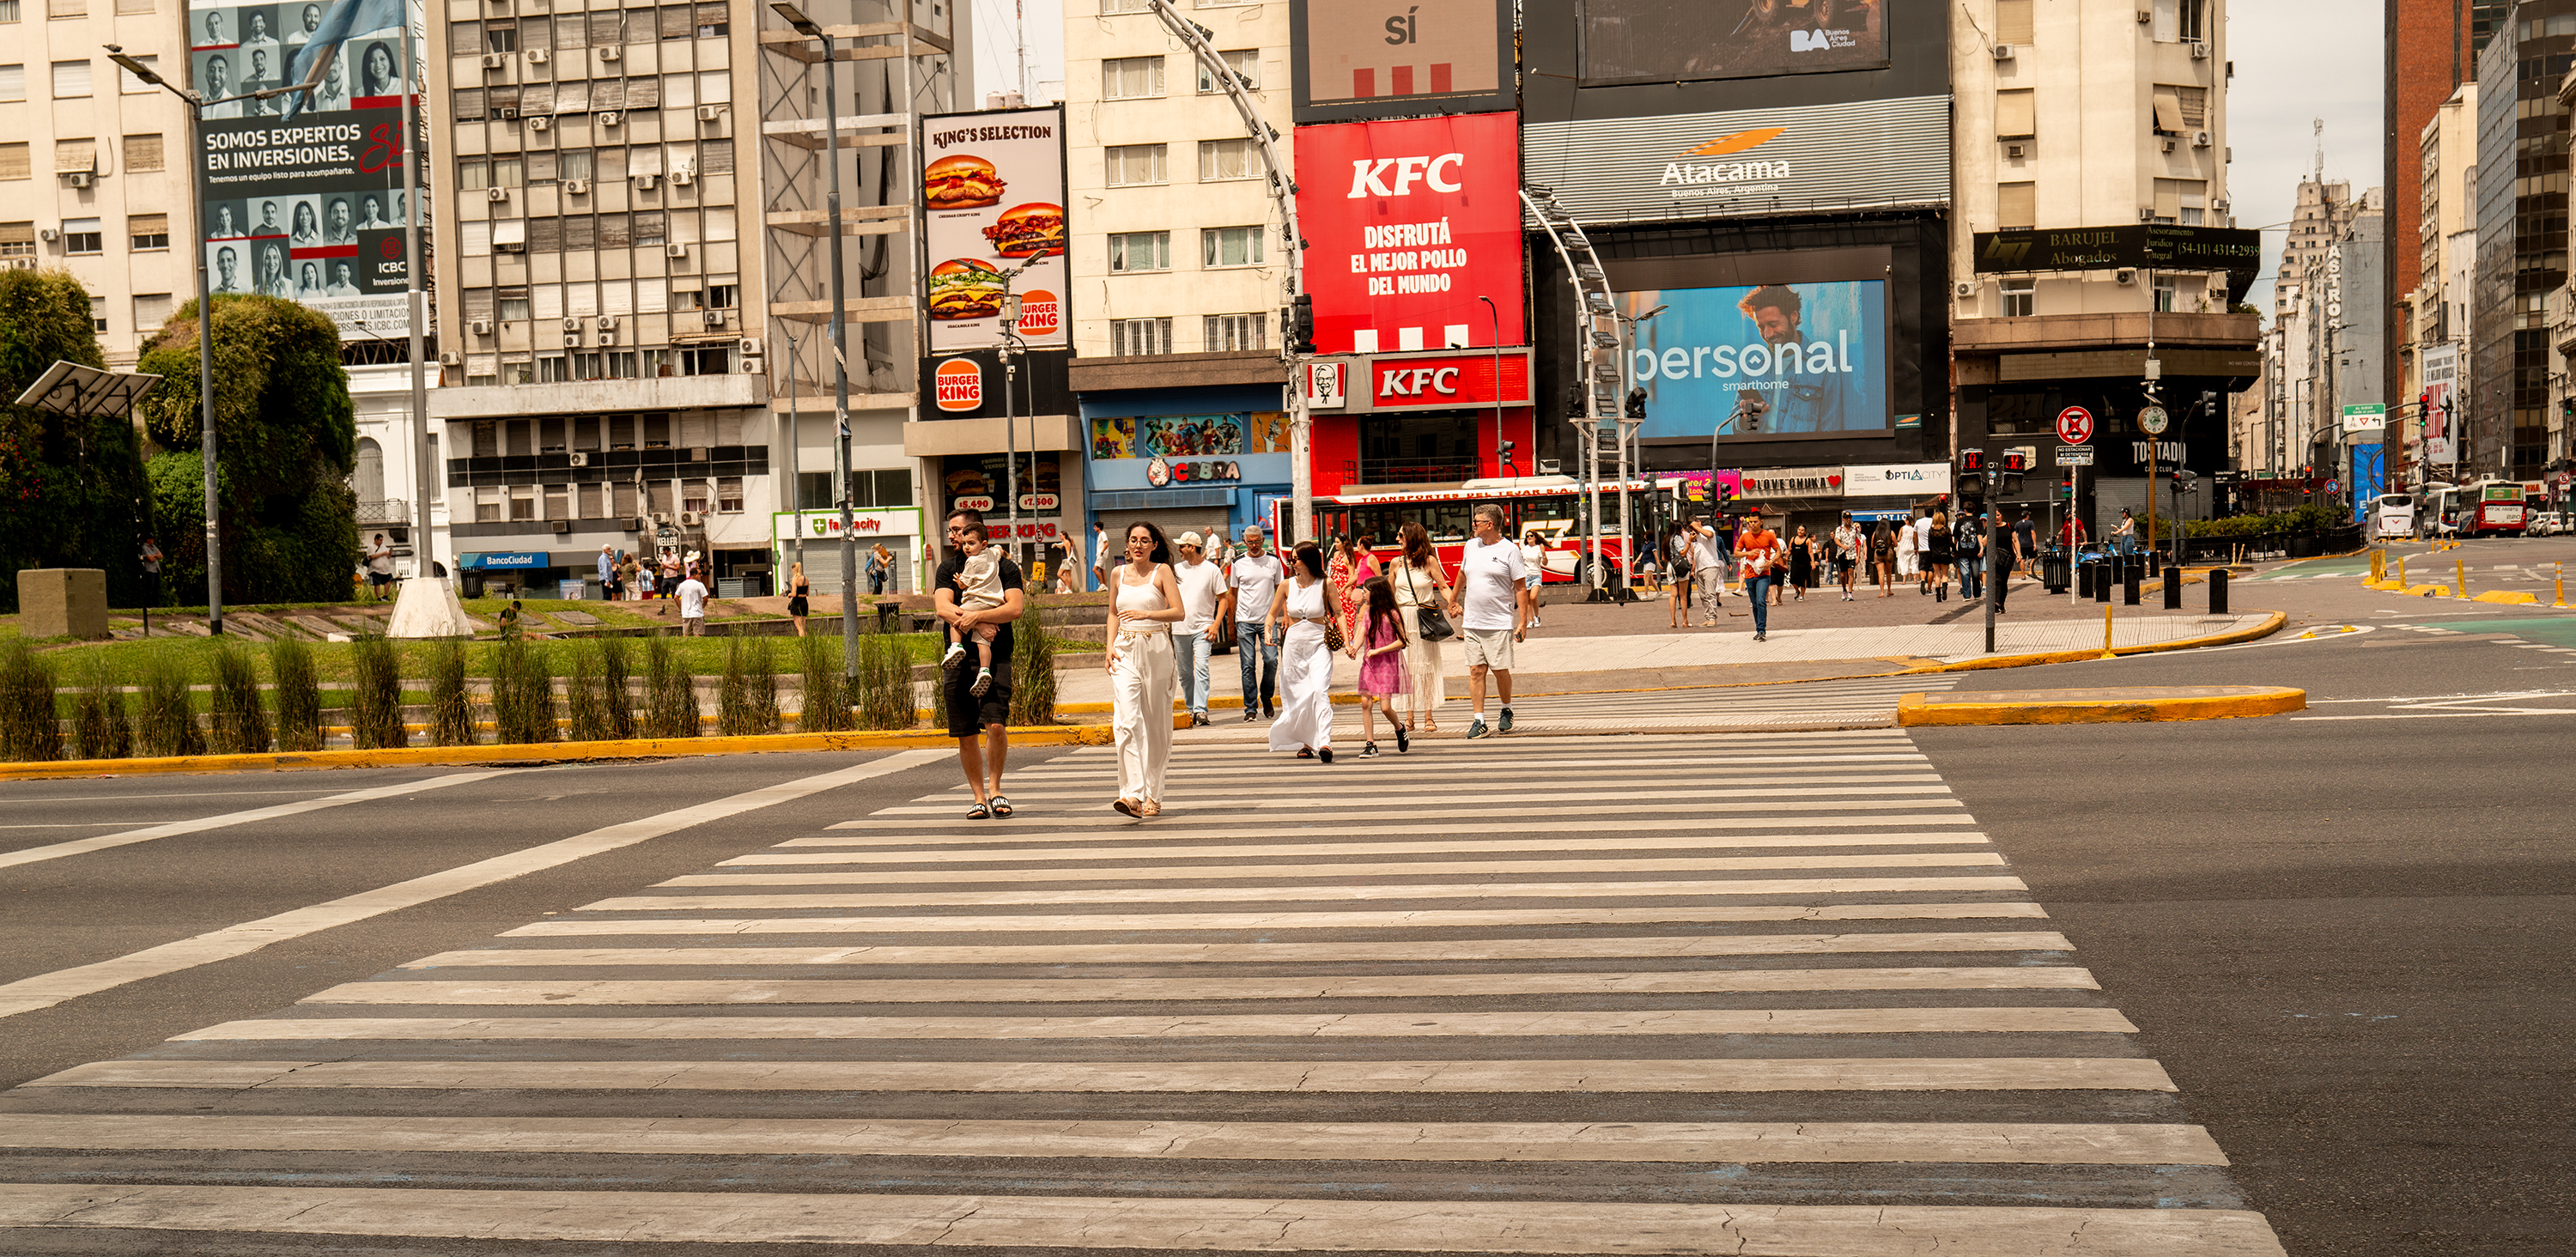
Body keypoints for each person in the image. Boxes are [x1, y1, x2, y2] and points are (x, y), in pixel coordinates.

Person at [934, 509, 1025, 818]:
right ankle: (978, 796)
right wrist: (977, 624)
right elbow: (942, 606)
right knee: (965, 732)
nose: (953, 536)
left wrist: (978, 618)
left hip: (995, 655)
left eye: (958, 530)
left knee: (996, 725)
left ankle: (996, 789)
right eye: (951, 531)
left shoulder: (1005, 567)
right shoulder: (948, 569)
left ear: (976, 532)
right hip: (958, 659)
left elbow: (1014, 609)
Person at [1105, 522, 1184, 817]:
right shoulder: (1117, 574)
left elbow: (1179, 612)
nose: (1138, 545)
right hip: (1124, 649)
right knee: (1126, 720)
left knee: (1156, 727)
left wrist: (1146, 613)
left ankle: (1154, 793)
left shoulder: (1161, 571)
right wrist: (1108, 646)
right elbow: (1113, 612)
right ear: (1127, 544)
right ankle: (1132, 795)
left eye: (1145, 541)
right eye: (1134, 540)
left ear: (1153, 545)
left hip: (1157, 649)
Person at [1449, 502, 1533, 739]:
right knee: (1476, 670)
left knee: (1500, 670)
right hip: (1473, 621)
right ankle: (1479, 720)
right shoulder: (1470, 546)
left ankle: (1506, 708)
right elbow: (1462, 574)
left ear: (1490, 524)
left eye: (1477, 522)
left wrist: (1523, 622)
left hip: (1498, 622)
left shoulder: (1510, 550)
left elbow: (1520, 588)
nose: (1473, 525)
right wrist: (1453, 599)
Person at [1267, 540, 1339, 762]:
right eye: (1291, 559)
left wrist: (1349, 640)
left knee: (1318, 690)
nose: (1292, 563)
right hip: (1294, 647)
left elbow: (1340, 613)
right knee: (1300, 695)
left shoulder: (1326, 583)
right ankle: (1307, 743)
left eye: (1295, 559)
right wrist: (1268, 630)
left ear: (1308, 561)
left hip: (1319, 644)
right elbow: (1272, 614)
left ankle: (1324, 741)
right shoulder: (1286, 585)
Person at [1388, 522, 1452, 733]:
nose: (1397, 539)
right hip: (1402, 620)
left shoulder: (1429, 562)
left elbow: (1443, 586)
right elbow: (1389, 594)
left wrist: (1453, 603)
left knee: (1425, 667)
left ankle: (1428, 715)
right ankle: (1409, 717)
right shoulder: (1395, 563)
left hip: (1423, 618)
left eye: (1400, 536)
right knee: (1405, 667)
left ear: (1412, 537)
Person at [939, 523, 1008, 695]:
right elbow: (1000, 550)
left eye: (971, 543)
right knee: (983, 640)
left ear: (983, 544)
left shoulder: (971, 561)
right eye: (964, 544)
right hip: (994, 604)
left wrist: (959, 579)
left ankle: (956, 646)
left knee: (957, 618)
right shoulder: (993, 554)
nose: (966, 548)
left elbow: (964, 584)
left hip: (976, 600)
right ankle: (984, 671)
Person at [1170, 531, 1226, 727]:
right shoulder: (1176, 570)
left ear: (1192, 548)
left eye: (1182, 546)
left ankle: (1201, 710)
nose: (1179, 550)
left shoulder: (1212, 570)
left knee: (1202, 668)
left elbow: (1223, 599)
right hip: (1179, 629)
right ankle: (1192, 707)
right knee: (1185, 673)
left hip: (1203, 628)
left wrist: (1216, 624)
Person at [1228, 525, 1284, 721]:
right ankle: (1250, 707)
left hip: (1268, 621)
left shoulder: (1274, 561)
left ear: (1263, 541)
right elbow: (1232, 593)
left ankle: (1266, 696)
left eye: (1257, 541)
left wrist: (1284, 616)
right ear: (1244, 542)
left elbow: (1281, 590)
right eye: (1249, 542)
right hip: (1244, 620)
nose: (1253, 545)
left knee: (1271, 660)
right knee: (1248, 665)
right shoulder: (1238, 563)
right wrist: (1231, 621)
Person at [1349, 575, 1410, 756]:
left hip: (1387, 665)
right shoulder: (1367, 613)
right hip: (1369, 664)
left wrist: (1378, 650)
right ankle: (1370, 743)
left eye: (1366, 592)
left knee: (1385, 707)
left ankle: (1399, 728)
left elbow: (1402, 641)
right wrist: (1354, 648)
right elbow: (1361, 634)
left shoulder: (1392, 614)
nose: (1363, 595)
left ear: (1376, 593)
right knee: (1365, 703)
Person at [1735, 511, 1783, 642]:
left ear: (1761, 522)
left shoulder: (1768, 535)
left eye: (1755, 522)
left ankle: (1762, 630)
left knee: (1761, 601)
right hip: (1749, 575)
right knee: (1755, 603)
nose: (1752, 524)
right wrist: (1748, 552)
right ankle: (1758, 629)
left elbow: (1779, 550)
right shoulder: (1745, 537)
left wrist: (1772, 562)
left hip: (1764, 574)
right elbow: (1736, 553)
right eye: (1750, 522)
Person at [1686, 515, 1728, 627]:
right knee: (1703, 595)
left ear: (1698, 522)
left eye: (1694, 526)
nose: (1693, 529)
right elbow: (1695, 554)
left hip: (1710, 566)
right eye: (1691, 528)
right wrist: (1693, 569)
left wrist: (1697, 527)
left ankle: (1713, 617)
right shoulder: (1695, 536)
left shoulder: (1708, 529)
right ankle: (1707, 617)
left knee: (1710, 593)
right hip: (1699, 568)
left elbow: (1710, 535)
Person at [1519, 531, 1547, 628]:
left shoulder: (1539, 548)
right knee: (1527, 600)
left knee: (1533, 597)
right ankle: (1530, 621)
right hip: (1526, 575)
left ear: (1535, 537)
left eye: (1531, 536)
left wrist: (1543, 553)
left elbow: (1545, 563)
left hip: (1536, 575)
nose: (1529, 538)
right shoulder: (1523, 549)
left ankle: (1537, 616)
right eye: (1527, 536)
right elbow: (1519, 563)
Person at [1955, 512, 1985, 602]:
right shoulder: (1977, 521)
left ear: (1965, 510)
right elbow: (1979, 535)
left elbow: (1956, 537)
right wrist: (1981, 548)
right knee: (1976, 574)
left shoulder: (1959, 521)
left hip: (1962, 551)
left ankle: (1967, 595)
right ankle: (1977, 593)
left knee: (1965, 574)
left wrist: (1954, 547)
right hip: (1974, 551)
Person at [1926, 507, 1954, 602]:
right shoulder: (1947, 530)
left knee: (1937, 575)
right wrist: (1954, 551)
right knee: (1945, 575)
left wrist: (1933, 551)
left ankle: (1938, 595)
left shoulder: (1931, 531)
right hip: (1945, 554)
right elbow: (1950, 543)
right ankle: (1944, 588)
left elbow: (1929, 544)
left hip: (1934, 554)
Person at [1832, 513, 1861, 602]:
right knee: (1843, 575)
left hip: (1852, 554)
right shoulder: (1839, 529)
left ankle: (1850, 592)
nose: (1848, 520)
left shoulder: (1855, 529)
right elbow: (1836, 540)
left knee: (1851, 572)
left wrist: (1858, 556)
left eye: (1850, 518)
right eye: (1846, 518)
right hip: (1842, 554)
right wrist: (1842, 546)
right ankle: (1844, 589)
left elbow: (1858, 542)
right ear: (1843, 519)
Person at [674, 566, 709, 635]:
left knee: (686, 635)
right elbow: (705, 597)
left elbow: (676, 598)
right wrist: (703, 605)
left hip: (686, 615)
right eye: (700, 573)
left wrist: (682, 609)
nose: (701, 575)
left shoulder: (682, 584)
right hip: (697, 614)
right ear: (694, 575)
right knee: (698, 635)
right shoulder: (700, 585)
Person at [1787, 525, 1814, 601]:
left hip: (1805, 562)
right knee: (1793, 578)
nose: (1800, 531)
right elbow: (1789, 550)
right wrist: (1786, 558)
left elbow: (1810, 552)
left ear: (1805, 532)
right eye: (1799, 529)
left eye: (1802, 530)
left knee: (1804, 579)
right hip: (1795, 562)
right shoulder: (1793, 539)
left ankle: (1802, 595)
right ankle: (1797, 591)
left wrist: (1812, 562)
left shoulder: (1808, 540)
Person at [364, 533, 395, 600]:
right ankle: (378, 598)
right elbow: (372, 556)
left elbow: (388, 557)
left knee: (389, 580)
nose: (381, 542)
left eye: (382, 540)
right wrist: (381, 554)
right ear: (376, 539)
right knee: (377, 583)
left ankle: (385, 596)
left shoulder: (383, 546)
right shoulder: (371, 547)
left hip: (385, 569)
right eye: (380, 540)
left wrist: (389, 553)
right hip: (375, 569)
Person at [1869, 520, 1896, 596]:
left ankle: (1882, 592)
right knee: (1888, 573)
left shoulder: (1875, 533)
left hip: (1878, 554)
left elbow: (1872, 545)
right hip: (1888, 553)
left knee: (1880, 573)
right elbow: (1896, 544)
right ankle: (1889, 590)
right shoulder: (1891, 533)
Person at [785, 561, 811, 636]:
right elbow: (807, 593)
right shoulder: (806, 579)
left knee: (800, 628)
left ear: (794, 569)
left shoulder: (795, 579)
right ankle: (806, 641)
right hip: (804, 602)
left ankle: (802, 643)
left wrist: (788, 594)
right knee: (803, 627)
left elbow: (794, 594)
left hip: (797, 602)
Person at [2014, 510, 2040, 578]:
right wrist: (2034, 543)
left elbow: (2015, 534)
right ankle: (2031, 571)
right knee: (2034, 557)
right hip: (2029, 544)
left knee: (2022, 559)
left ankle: (2023, 576)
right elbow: (2033, 533)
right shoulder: (2030, 523)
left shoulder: (2017, 524)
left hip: (2021, 544)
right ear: (2027, 516)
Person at [1090, 521, 1110, 593]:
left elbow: (1106, 544)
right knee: (1102, 571)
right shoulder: (1100, 535)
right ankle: (1106, 587)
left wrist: (1102, 552)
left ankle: (1102, 585)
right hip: (1102, 555)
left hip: (1101, 555)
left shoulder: (1102, 534)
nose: (1094, 528)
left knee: (1094, 569)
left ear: (1098, 528)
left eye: (1095, 527)